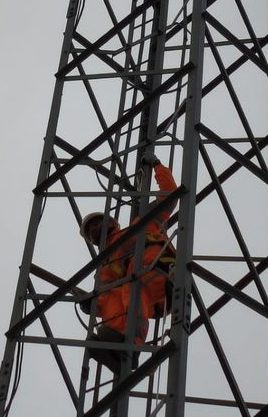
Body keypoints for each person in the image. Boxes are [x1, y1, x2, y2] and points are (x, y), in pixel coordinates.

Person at [79, 154, 178, 371]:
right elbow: (106, 298)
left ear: (111, 221)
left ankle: (129, 346)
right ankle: (119, 346)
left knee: (133, 280)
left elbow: (169, 196)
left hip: (164, 271)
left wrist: (158, 166)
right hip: (147, 295)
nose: (94, 229)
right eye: (90, 231)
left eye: (96, 223)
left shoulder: (140, 225)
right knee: (115, 293)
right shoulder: (106, 265)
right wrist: (92, 303)